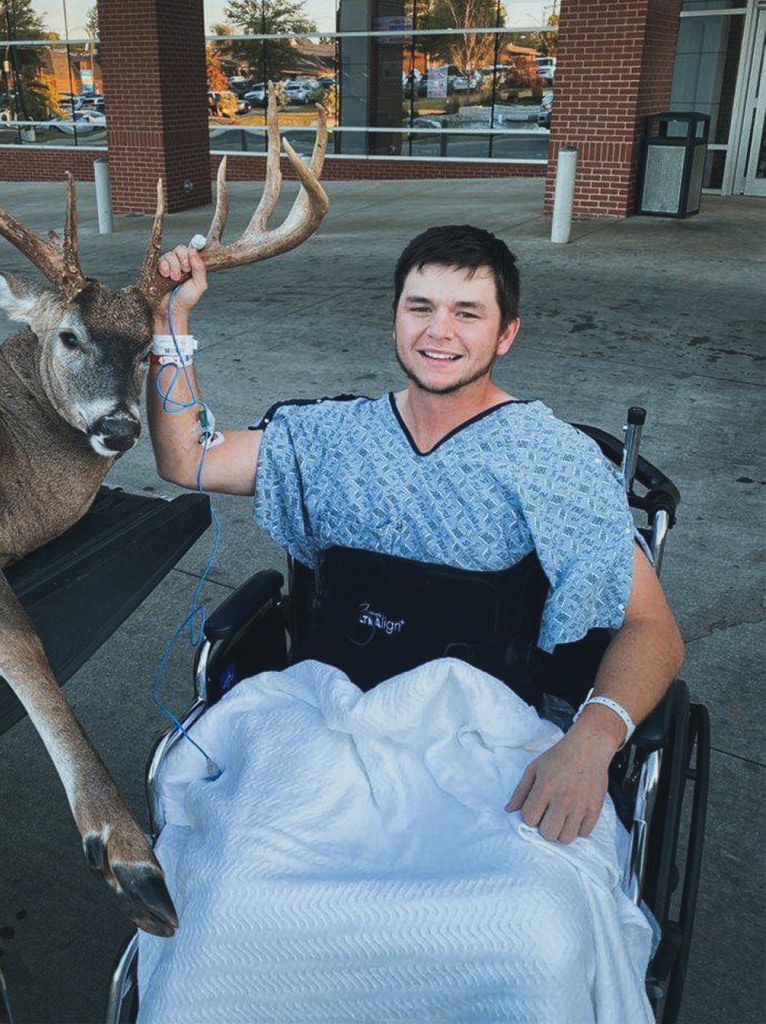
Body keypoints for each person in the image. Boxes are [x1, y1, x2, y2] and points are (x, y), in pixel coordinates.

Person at [146, 224, 684, 846]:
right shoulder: (329, 437)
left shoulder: (553, 460)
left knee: (537, 934)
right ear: (396, 317)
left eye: (467, 313)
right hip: (331, 727)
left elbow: (654, 629)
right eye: (420, 307)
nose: (439, 331)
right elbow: (188, 459)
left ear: (506, 333)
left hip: (485, 745)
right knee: (233, 879)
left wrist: (592, 743)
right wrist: (171, 323)